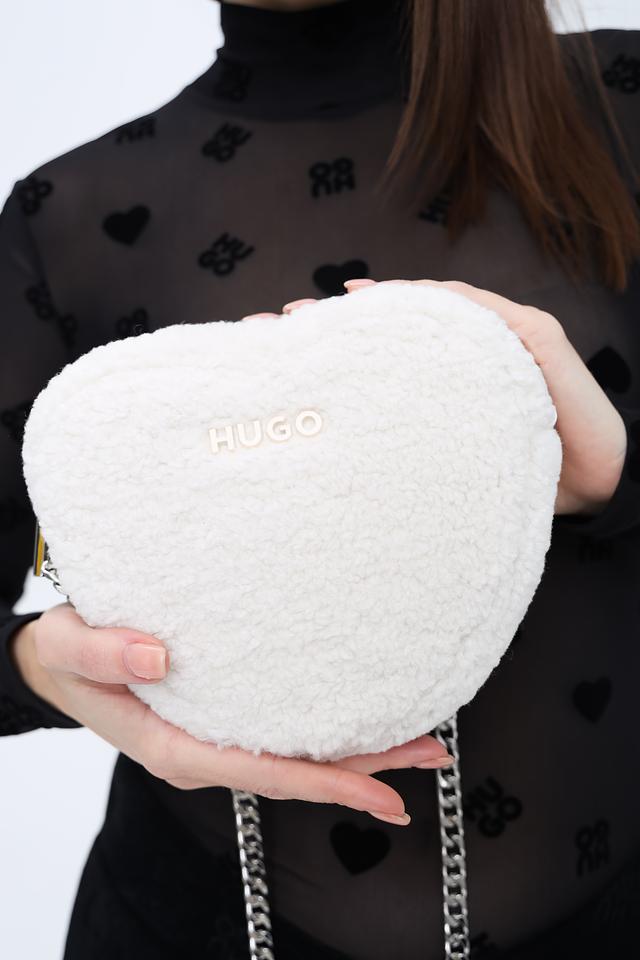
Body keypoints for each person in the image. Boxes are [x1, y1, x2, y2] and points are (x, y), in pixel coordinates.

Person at [1, 0, 639, 956]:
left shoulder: (622, 98)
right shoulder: (64, 214)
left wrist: (614, 477)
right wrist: (43, 667)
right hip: (193, 921)